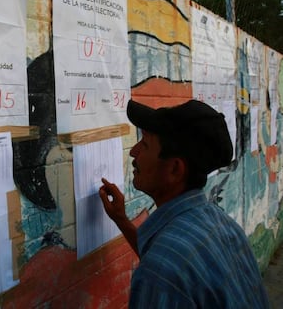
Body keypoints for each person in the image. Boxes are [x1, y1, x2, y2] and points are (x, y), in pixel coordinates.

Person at [99, 99, 270, 308]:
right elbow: (173, 258)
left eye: (145, 145)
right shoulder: (223, 226)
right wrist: (121, 219)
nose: (134, 152)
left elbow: (166, 267)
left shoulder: (159, 274)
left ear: (175, 170)